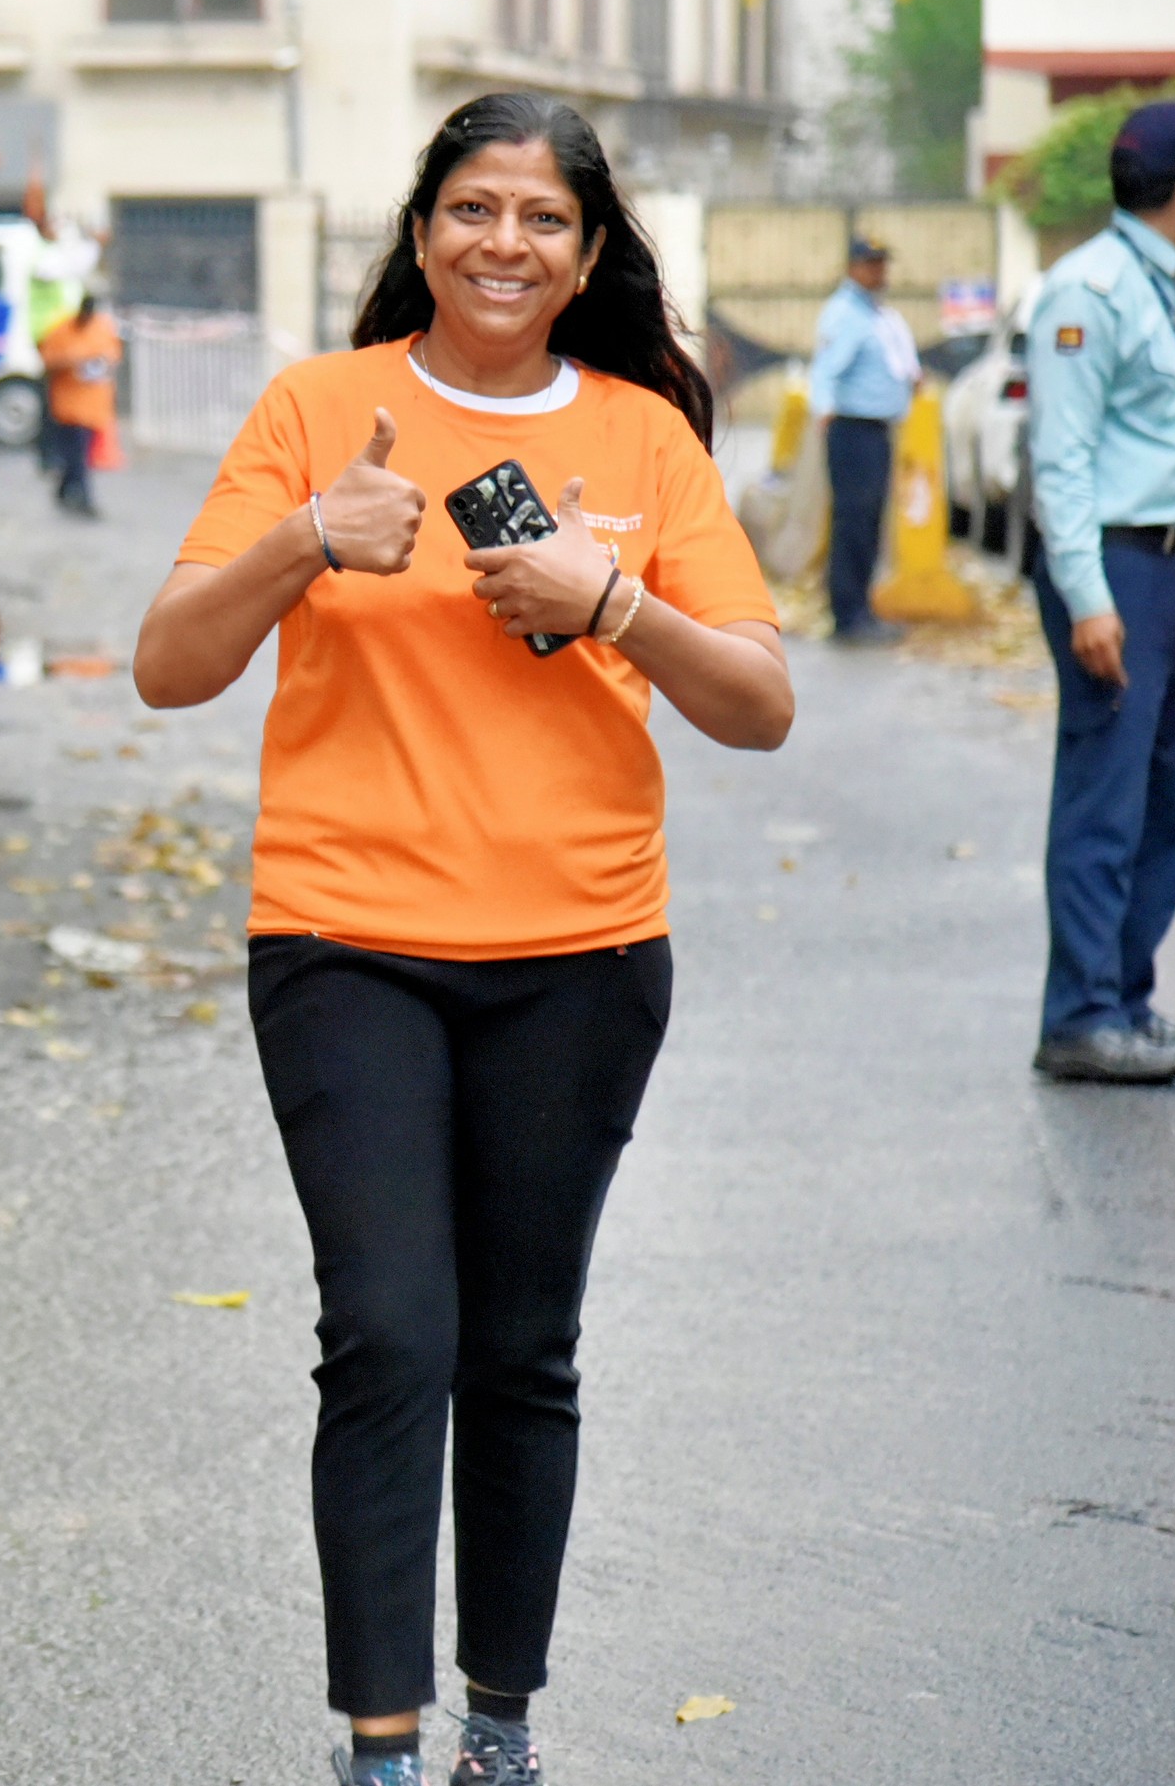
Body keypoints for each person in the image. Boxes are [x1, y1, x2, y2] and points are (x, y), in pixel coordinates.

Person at [130, 92, 793, 1786]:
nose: (504, 243)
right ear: (421, 230)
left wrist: (609, 602)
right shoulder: (315, 409)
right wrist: (303, 540)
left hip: (580, 955)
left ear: (586, 253)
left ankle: (498, 1725)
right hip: (344, 940)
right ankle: (378, 1745)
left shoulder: (643, 439)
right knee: (387, 1331)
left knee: (517, 1347)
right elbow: (167, 663)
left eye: (541, 218)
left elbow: (758, 701)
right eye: (472, 209)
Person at [1023, 100, 1175, 1083]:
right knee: (1105, 800)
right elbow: (1061, 458)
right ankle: (1079, 1014)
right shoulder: (1086, 290)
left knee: (1170, 801)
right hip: (1117, 569)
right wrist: (1088, 598)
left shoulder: (1174, 291)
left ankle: (1126, 998)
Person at [810, 234, 921, 641]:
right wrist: (824, 412)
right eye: (871, 264)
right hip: (852, 429)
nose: (879, 272)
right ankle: (848, 615)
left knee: (869, 522)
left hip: (875, 429)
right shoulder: (845, 313)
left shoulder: (874, 312)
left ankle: (862, 608)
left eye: (882, 264)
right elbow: (826, 369)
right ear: (853, 268)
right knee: (854, 523)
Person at [39, 293, 121, 518]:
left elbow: (113, 357)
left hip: (93, 405)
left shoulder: (103, 330)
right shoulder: (62, 331)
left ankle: (64, 489)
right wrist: (70, 362)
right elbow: (49, 360)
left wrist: (99, 364)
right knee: (78, 454)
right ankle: (84, 498)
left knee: (77, 454)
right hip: (69, 406)